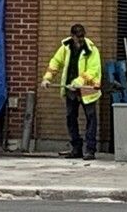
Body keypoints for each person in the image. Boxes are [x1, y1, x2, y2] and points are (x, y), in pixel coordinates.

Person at [41, 23, 102, 160]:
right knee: (70, 118)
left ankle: (90, 150)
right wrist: (47, 78)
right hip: (71, 90)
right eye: (78, 37)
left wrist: (79, 81)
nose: (80, 40)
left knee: (91, 119)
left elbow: (93, 69)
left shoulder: (91, 50)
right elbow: (55, 62)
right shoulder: (66, 48)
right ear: (72, 36)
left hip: (87, 90)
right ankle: (76, 148)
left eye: (82, 37)